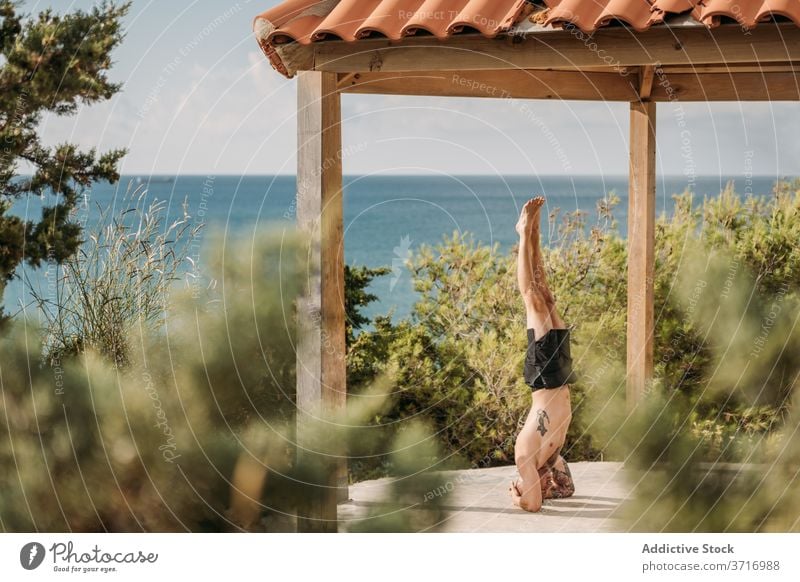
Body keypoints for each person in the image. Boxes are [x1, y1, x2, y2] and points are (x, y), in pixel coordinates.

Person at [509, 196, 576, 512]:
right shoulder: (552, 456)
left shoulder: (525, 454)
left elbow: (533, 505)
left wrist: (518, 498)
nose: (547, 485)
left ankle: (523, 233)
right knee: (546, 296)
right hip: (560, 375)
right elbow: (568, 488)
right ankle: (533, 230)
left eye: (527, 484)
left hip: (544, 377)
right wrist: (551, 489)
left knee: (531, 298)